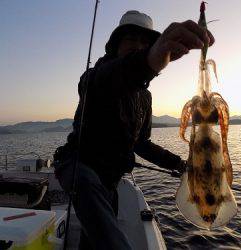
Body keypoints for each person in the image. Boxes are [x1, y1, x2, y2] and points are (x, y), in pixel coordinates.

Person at [53, 10, 214, 250]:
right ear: (116, 45)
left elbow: (141, 143)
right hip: (78, 167)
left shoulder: (144, 97)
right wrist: (149, 59)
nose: (138, 46)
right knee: (111, 239)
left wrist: (179, 163)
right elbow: (115, 77)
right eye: (130, 39)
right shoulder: (93, 78)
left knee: (93, 239)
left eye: (145, 42)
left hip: (110, 179)